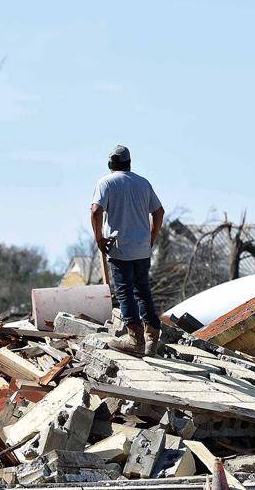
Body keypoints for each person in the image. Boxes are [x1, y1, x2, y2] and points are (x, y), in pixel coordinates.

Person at [91, 145, 165, 354]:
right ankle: (152, 338)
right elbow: (158, 212)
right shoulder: (143, 183)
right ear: (129, 163)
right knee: (143, 291)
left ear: (110, 164)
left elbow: (96, 210)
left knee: (125, 293)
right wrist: (151, 237)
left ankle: (135, 340)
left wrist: (98, 238)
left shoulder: (105, 182)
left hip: (120, 248)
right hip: (142, 249)